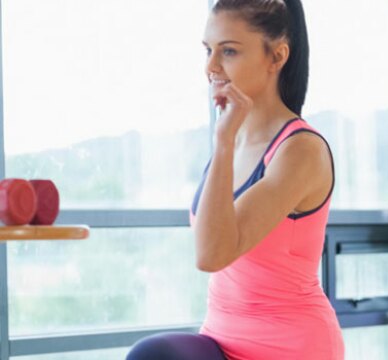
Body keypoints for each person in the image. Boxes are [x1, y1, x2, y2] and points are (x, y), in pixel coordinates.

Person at [127, 0, 341, 358]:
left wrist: (223, 141)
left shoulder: (300, 150)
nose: (211, 67)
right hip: (220, 341)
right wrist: (227, 140)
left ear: (277, 56)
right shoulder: (232, 141)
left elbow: (212, 254)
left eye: (228, 51)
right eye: (208, 50)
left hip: (290, 347)